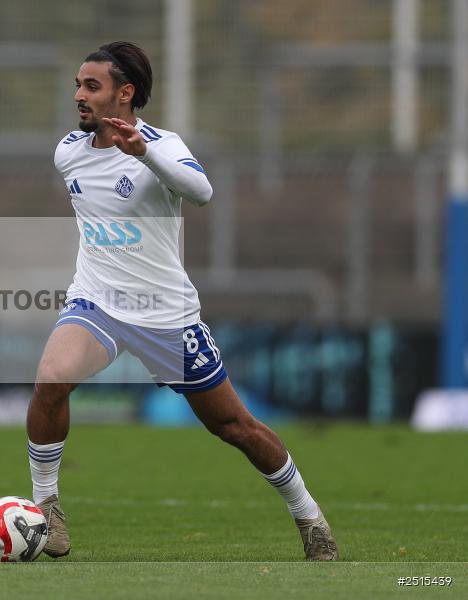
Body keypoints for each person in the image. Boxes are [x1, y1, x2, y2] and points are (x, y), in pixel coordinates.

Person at [26, 41, 337, 561]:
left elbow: (201, 191)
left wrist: (144, 154)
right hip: (96, 302)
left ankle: (309, 516)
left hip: (164, 314)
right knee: (50, 382)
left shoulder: (161, 144)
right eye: (78, 85)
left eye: (92, 86)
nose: (79, 95)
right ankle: (47, 512)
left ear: (125, 94)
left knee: (235, 427)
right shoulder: (68, 151)